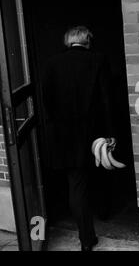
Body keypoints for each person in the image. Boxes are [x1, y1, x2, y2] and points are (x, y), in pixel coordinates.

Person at [42, 26, 115, 251]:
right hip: (95, 134)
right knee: (101, 173)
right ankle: (103, 213)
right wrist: (111, 132)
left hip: (65, 136)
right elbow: (107, 99)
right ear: (87, 41)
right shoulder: (98, 60)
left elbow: (47, 102)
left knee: (77, 184)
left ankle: (86, 239)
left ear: (69, 41)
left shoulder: (52, 63)